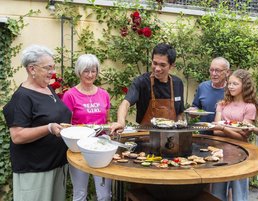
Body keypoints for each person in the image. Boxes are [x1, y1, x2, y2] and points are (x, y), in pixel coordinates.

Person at [2, 45, 71, 201]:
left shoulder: (47, 90)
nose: (52, 72)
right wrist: (48, 128)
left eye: (53, 68)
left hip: (57, 164)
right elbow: (17, 136)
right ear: (32, 69)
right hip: (36, 170)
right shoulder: (22, 97)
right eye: (48, 68)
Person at [62, 54, 112, 201]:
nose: (90, 75)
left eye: (93, 71)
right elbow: (66, 126)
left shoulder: (104, 94)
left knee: (104, 195)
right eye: (86, 71)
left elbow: (106, 120)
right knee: (80, 193)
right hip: (78, 149)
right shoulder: (70, 95)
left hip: (101, 148)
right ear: (79, 72)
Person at [111, 43, 184, 132]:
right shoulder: (141, 82)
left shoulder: (177, 83)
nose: (157, 68)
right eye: (155, 63)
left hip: (171, 138)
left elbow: (179, 113)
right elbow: (125, 103)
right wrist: (121, 122)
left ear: (171, 66)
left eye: (162, 65)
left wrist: (181, 130)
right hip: (145, 138)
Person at [211, 69, 257, 201]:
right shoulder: (222, 103)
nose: (230, 86)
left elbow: (243, 136)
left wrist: (224, 128)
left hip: (240, 153)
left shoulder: (250, 107)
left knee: (239, 195)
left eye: (235, 84)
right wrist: (234, 129)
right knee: (216, 194)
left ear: (245, 86)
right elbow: (215, 130)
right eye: (229, 83)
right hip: (220, 153)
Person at [189, 57, 230, 134]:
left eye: (217, 70)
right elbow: (196, 107)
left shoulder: (231, 90)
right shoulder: (202, 87)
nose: (214, 74)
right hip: (204, 134)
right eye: (211, 70)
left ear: (227, 72)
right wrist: (192, 111)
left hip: (225, 136)